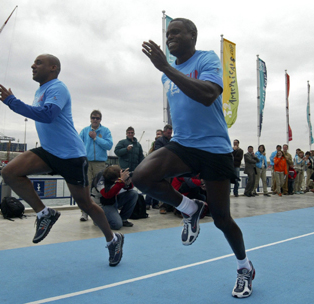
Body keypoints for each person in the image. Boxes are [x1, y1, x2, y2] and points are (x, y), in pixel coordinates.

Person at [137, 18, 255, 298]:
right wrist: (167, 69)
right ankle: (190, 208)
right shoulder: (167, 75)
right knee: (141, 177)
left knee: (222, 219)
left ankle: (244, 267)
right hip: (184, 144)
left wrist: (165, 66)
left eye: (176, 32)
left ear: (193, 35)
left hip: (214, 148)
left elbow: (208, 95)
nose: (169, 37)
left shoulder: (207, 59)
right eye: (168, 34)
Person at [0, 54, 123, 266]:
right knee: (9, 172)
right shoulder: (40, 90)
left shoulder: (57, 88)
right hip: (49, 152)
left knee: (87, 204)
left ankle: (113, 240)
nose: (32, 65)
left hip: (71, 156)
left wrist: (12, 102)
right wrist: (13, 103)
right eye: (34, 62)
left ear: (53, 68)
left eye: (38, 62)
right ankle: (45, 213)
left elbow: (47, 115)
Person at [78, 110, 113, 222]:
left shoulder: (105, 131)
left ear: (100, 120)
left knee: (99, 188)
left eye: (97, 118)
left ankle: (98, 212)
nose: (95, 120)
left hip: (100, 164)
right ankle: (84, 213)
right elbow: (78, 145)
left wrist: (96, 138)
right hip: (86, 163)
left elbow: (109, 145)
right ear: (90, 119)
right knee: (86, 187)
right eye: (93, 117)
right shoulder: (84, 131)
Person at [146, 129, 163, 209]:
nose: (158, 135)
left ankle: (155, 203)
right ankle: (147, 203)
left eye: (159, 134)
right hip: (153, 167)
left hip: (160, 168)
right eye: (157, 134)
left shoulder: (164, 143)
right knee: (150, 185)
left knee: (157, 186)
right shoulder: (154, 144)